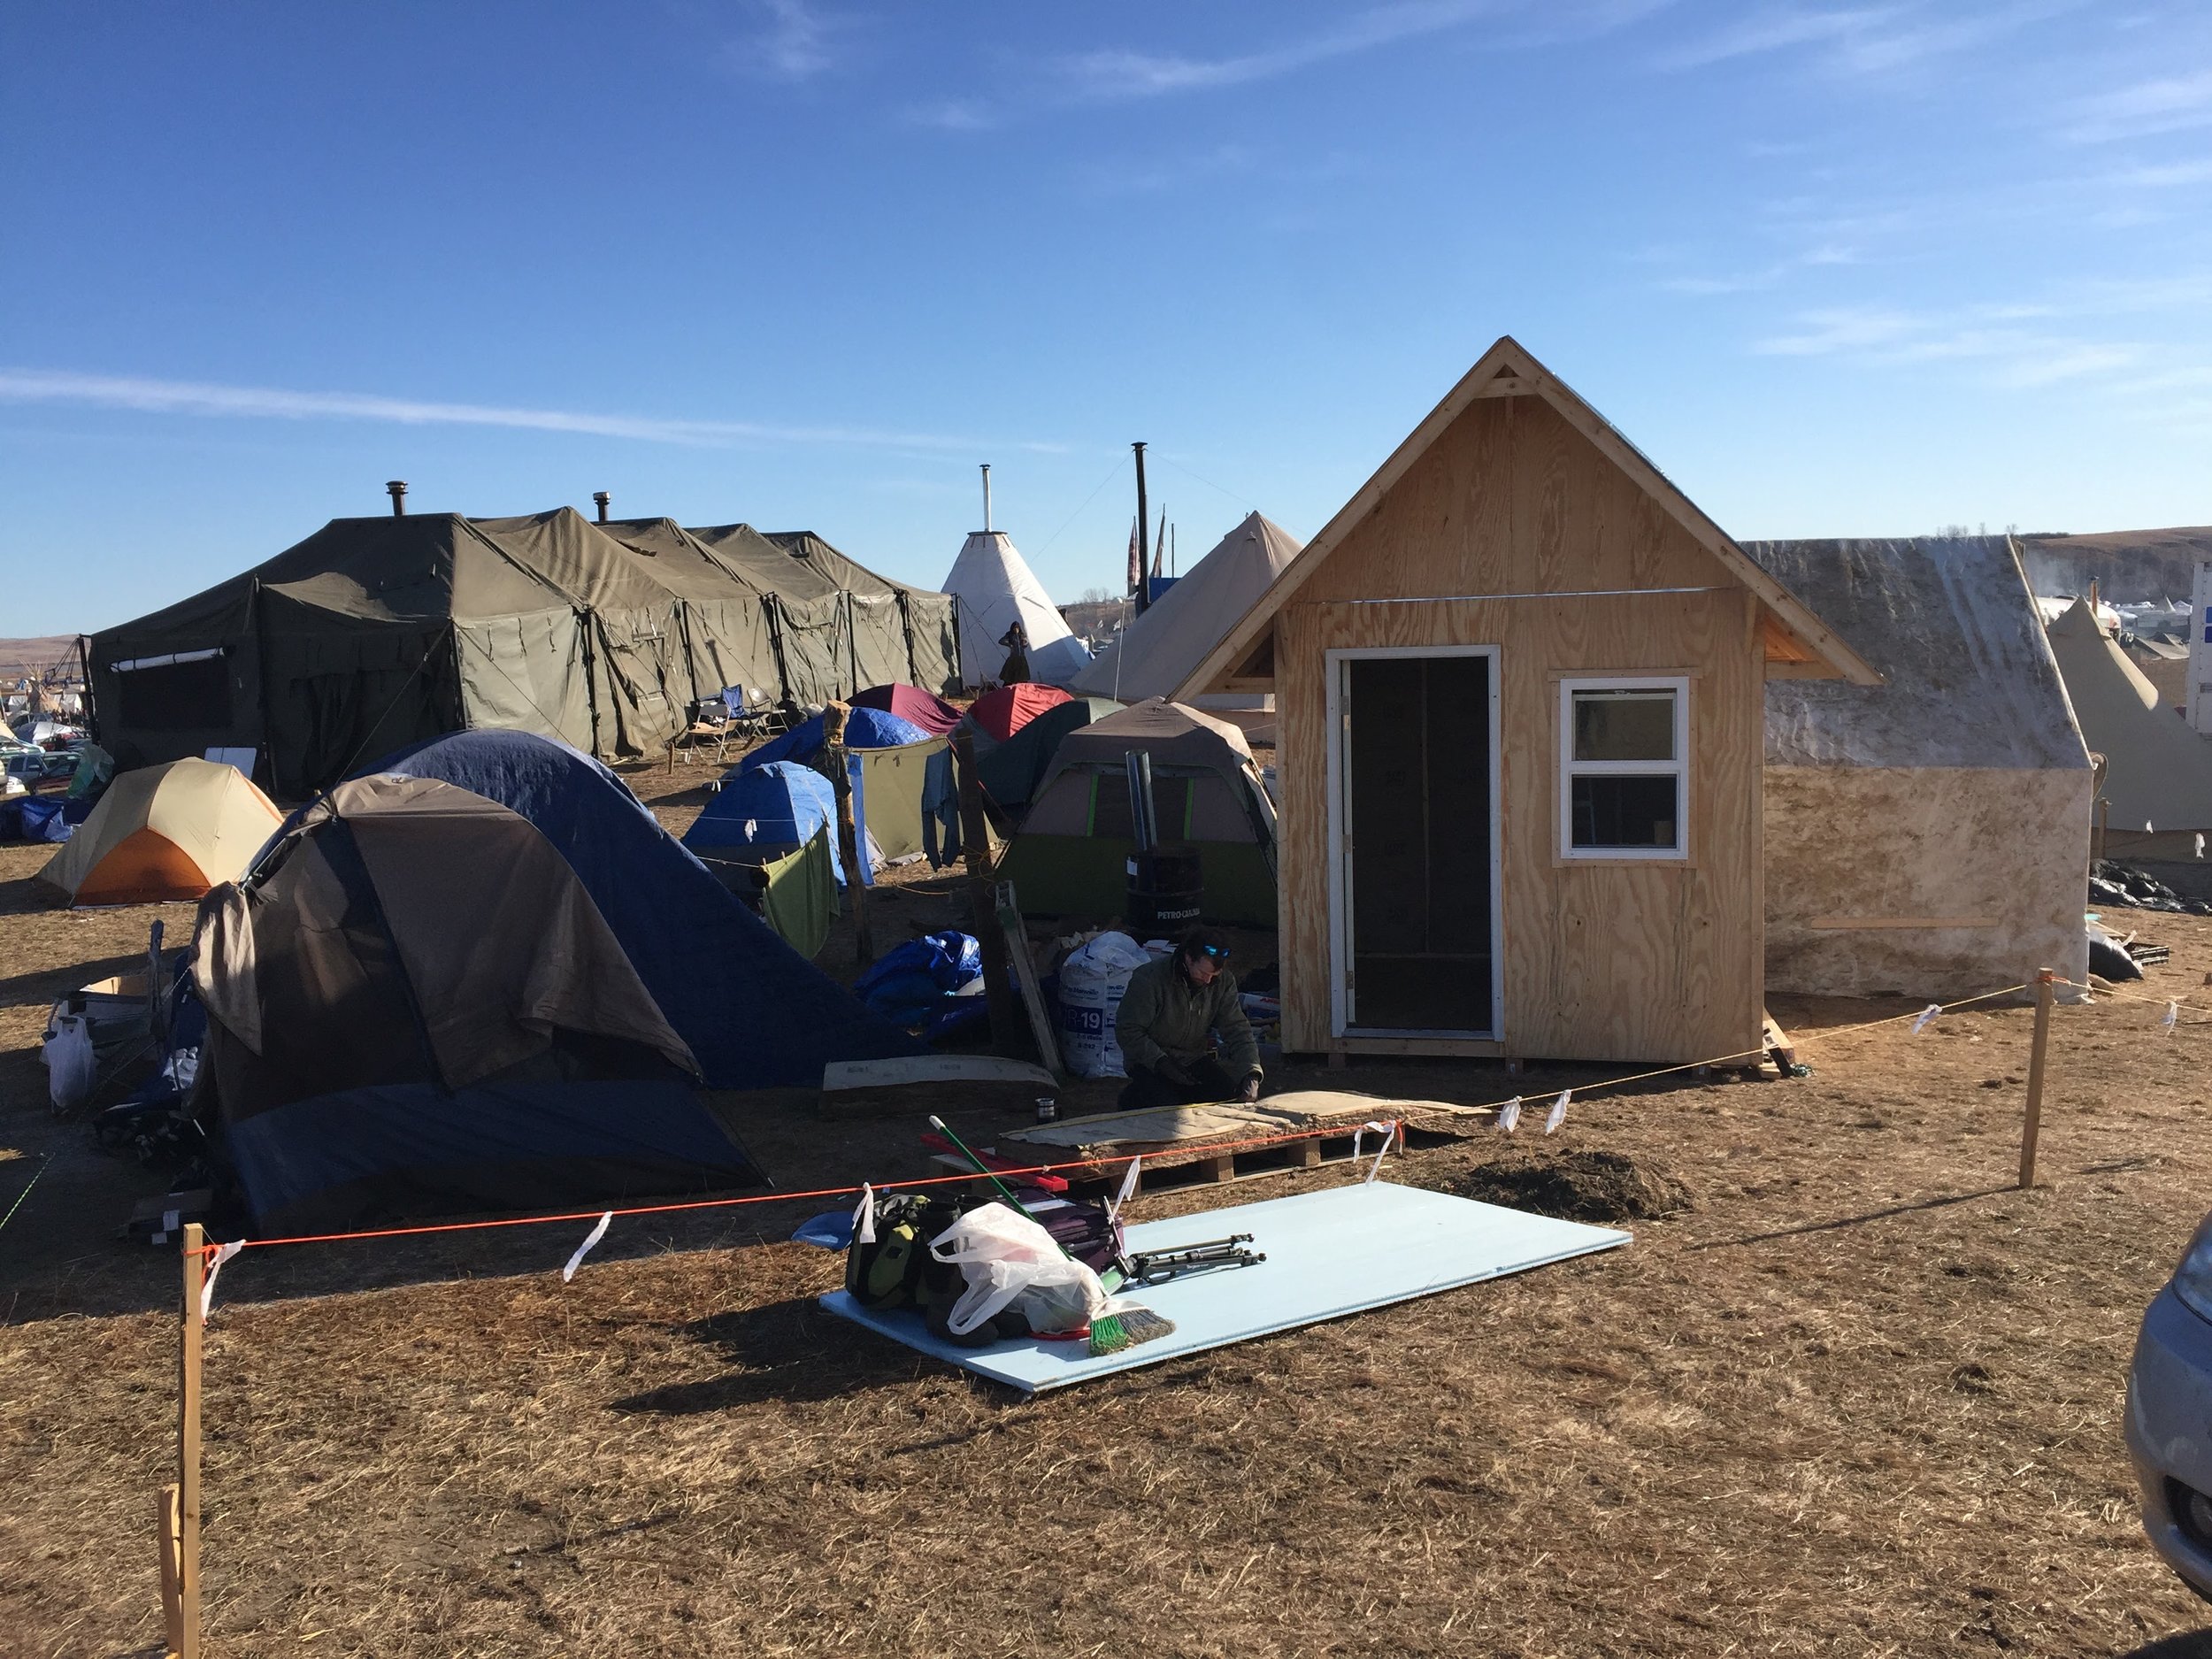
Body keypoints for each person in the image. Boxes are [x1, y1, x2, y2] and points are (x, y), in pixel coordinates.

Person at [1112, 927, 1263, 1110]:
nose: (1208, 981)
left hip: (1192, 1060)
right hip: (1150, 1061)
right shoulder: (1149, 979)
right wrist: (1161, 1062)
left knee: (1226, 1101)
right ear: (1188, 958)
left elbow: (1237, 1029)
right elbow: (1128, 1031)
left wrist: (1251, 1072)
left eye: (1213, 975)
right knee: (1164, 1109)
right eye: (1202, 973)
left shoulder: (1223, 982)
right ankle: (1132, 1099)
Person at [997, 621, 1030, 687]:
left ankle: (1022, 687)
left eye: (1017, 628)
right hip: (1014, 657)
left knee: (1022, 674)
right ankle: (1007, 687)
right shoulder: (1010, 635)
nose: (1016, 629)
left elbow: (1026, 643)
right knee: (1010, 674)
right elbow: (1001, 641)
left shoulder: (1021, 635)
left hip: (1021, 657)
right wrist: (1009, 644)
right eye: (1015, 628)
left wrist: (1025, 643)